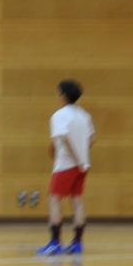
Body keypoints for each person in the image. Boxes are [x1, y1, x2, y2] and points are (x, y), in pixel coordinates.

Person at [38, 80, 95, 256]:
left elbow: (64, 138)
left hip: (66, 165)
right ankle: (77, 243)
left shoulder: (59, 115)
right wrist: (82, 159)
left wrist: (76, 158)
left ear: (62, 95)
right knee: (77, 200)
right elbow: (91, 139)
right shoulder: (84, 115)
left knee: (54, 200)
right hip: (83, 165)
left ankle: (55, 243)